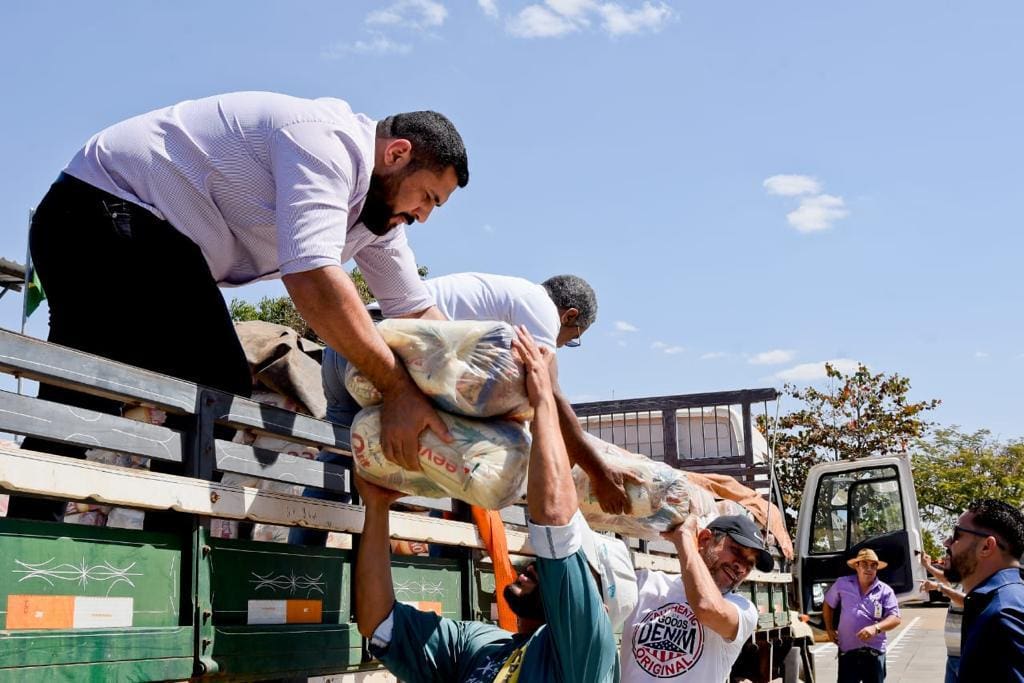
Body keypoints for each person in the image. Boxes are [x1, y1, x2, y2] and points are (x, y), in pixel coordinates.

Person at [11, 92, 468, 525]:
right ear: (396, 154)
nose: (424, 214)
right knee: (214, 382)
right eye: (427, 197)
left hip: (102, 223)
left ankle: (28, 538)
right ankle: (172, 553)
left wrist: (477, 393)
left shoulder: (376, 220)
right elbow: (313, 281)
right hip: (103, 210)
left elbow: (417, 312)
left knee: (83, 385)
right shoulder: (327, 144)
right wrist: (397, 387)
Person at [353, 326, 634, 682]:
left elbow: (554, 520)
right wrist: (377, 509)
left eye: (569, 568)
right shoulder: (485, 646)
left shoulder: (586, 658)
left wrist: (544, 399)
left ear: (593, 603)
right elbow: (379, 622)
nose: (540, 565)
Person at [288, 271, 639, 546]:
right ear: (570, 315)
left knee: (339, 453)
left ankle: (303, 561)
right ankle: (442, 554)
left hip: (345, 341)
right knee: (453, 451)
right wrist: (597, 471)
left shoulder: (505, 294)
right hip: (382, 350)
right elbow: (549, 394)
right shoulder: (541, 308)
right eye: (573, 336)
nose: (565, 344)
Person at [619, 513, 772, 681]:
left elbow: (705, 606)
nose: (741, 567)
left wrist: (684, 538)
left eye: (749, 564)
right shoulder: (644, 583)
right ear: (705, 539)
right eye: (735, 551)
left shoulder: (743, 609)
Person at [942, 498, 1024, 682]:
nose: (946, 542)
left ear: (986, 547)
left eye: (956, 535)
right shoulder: (1001, 601)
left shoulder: (1003, 615)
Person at [822, 548, 901, 683]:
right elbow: (828, 604)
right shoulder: (842, 583)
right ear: (857, 566)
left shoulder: (885, 591)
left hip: (874, 653)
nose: (869, 569)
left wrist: (875, 628)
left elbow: (895, 618)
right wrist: (829, 629)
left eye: (873, 565)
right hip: (848, 652)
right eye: (865, 564)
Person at [919, 552, 965, 683]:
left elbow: (966, 600)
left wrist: (938, 587)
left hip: (964, 656)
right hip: (953, 656)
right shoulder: (960, 581)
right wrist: (927, 566)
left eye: (948, 558)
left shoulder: (972, 581)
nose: (944, 560)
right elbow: (945, 579)